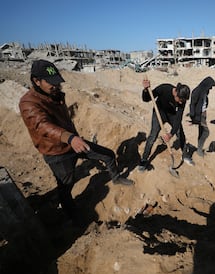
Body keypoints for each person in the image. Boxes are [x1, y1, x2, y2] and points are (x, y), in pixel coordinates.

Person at [19, 59, 134, 222]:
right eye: (51, 83)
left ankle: (116, 178)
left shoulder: (54, 94)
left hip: (74, 142)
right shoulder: (28, 102)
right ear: (36, 81)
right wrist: (70, 138)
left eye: (57, 82)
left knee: (108, 155)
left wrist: (73, 138)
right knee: (66, 185)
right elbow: (42, 125)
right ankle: (71, 214)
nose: (56, 86)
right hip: (57, 151)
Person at [137, 78, 193, 171]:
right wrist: (146, 90)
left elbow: (178, 118)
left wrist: (171, 134)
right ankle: (144, 159)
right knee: (153, 136)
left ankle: (185, 155)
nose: (180, 103)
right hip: (159, 113)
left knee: (180, 132)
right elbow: (146, 99)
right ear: (175, 93)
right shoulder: (164, 88)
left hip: (171, 115)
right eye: (179, 100)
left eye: (182, 101)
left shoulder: (182, 99)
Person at [189, 76, 215, 157]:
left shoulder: (205, 90)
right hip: (199, 115)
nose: (211, 88)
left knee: (201, 131)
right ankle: (199, 150)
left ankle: (199, 149)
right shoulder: (197, 91)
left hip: (203, 113)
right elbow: (192, 104)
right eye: (210, 86)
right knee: (206, 132)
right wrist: (193, 116)